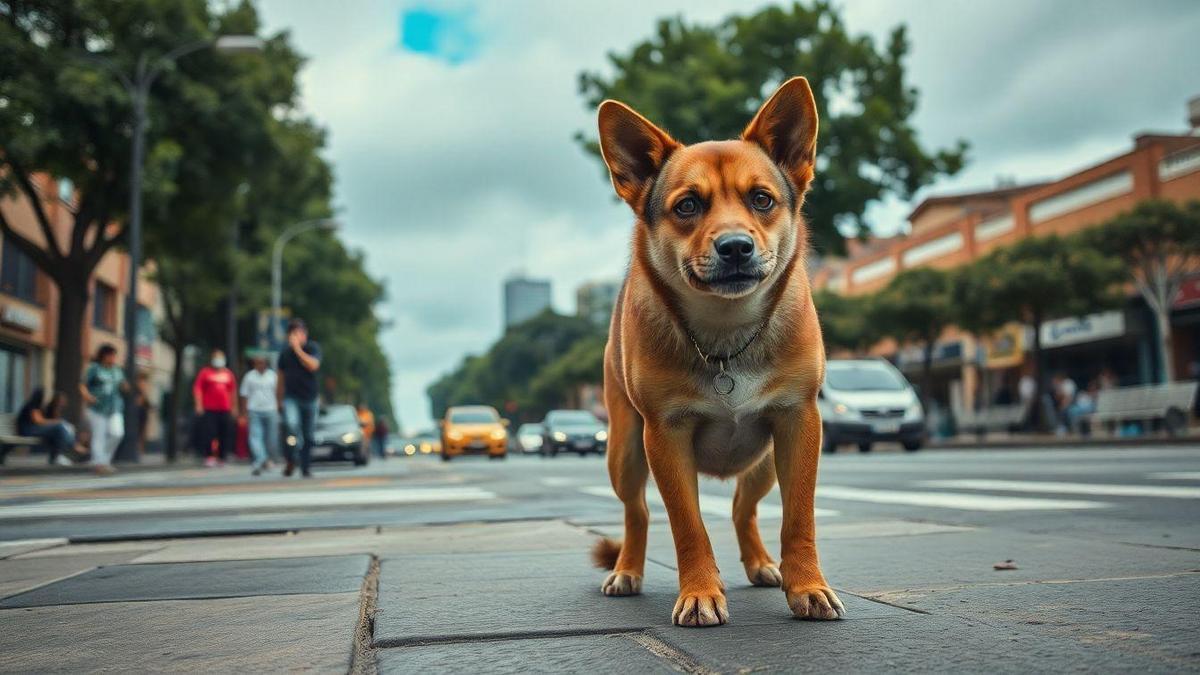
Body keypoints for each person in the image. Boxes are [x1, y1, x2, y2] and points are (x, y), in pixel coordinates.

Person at [277, 319, 322, 478]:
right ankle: (291, 458)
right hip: (291, 398)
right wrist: (279, 400)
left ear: (305, 334)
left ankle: (305, 467)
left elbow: (313, 365)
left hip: (310, 399)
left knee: (308, 435)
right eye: (293, 333)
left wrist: (297, 349)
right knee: (291, 425)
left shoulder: (312, 348)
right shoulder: (284, 354)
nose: (296, 336)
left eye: (299, 332)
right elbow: (280, 378)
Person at [79, 344, 127, 474]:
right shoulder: (94, 368)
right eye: (111, 355)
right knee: (98, 436)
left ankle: (103, 460)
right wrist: (88, 397)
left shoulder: (117, 370)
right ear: (104, 355)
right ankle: (100, 464)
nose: (113, 358)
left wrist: (125, 386)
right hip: (97, 407)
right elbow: (82, 385)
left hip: (114, 407)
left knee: (117, 433)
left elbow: (123, 386)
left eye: (114, 355)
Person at [193, 349, 237, 467]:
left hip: (225, 409)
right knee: (209, 433)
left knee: (224, 433)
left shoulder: (228, 374)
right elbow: (198, 389)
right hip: (209, 409)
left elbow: (233, 391)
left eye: (220, 357)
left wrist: (234, 407)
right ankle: (209, 456)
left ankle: (222, 457)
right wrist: (198, 405)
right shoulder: (205, 373)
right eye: (216, 357)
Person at [240, 354, 279, 476]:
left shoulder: (273, 376)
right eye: (257, 363)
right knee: (255, 437)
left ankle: (266, 459)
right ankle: (260, 460)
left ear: (266, 364)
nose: (260, 365)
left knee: (271, 438)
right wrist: (244, 412)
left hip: (271, 410)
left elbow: (278, 392)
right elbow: (244, 395)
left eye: (262, 363)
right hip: (254, 410)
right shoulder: (249, 377)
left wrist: (279, 407)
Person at [16, 388, 76, 466]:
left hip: (32, 429)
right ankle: (57, 456)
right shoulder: (32, 405)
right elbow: (39, 421)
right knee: (59, 428)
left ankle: (57, 456)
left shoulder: (39, 406)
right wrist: (55, 422)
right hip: (27, 430)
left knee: (60, 430)